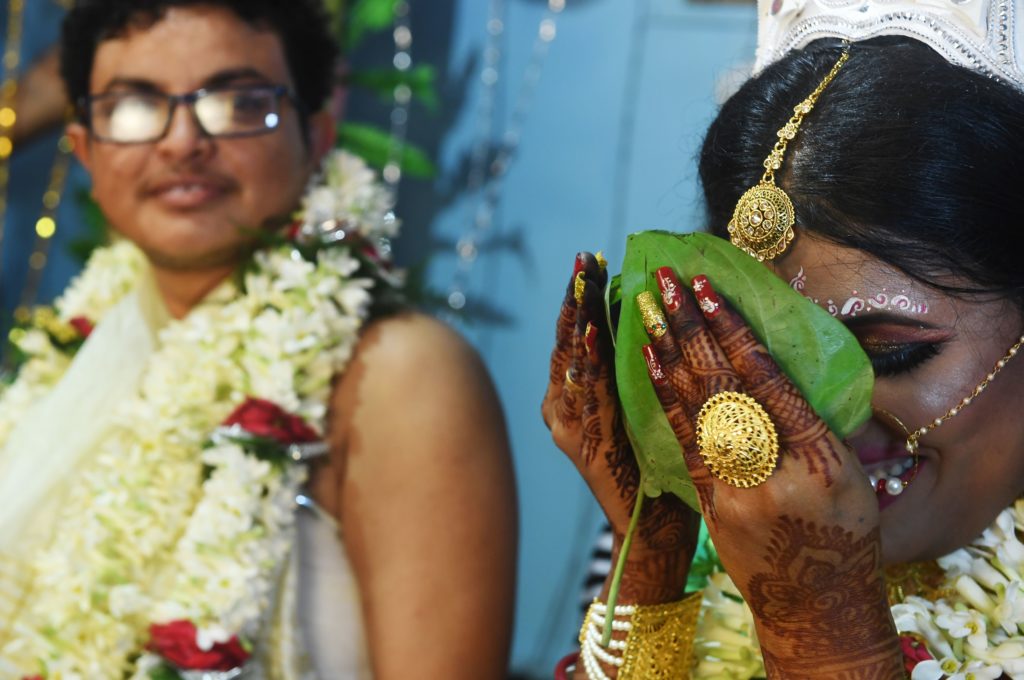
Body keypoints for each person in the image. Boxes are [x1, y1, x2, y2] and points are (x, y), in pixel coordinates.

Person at [0, 1, 517, 679]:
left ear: (318, 131)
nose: (181, 141)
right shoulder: (74, 357)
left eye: (238, 103)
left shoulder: (400, 375)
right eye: (133, 107)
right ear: (87, 150)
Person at [544, 1, 1024, 677]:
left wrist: (824, 632)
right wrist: (650, 557)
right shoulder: (716, 506)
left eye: (888, 351)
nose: (802, 415)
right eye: (753, 355)